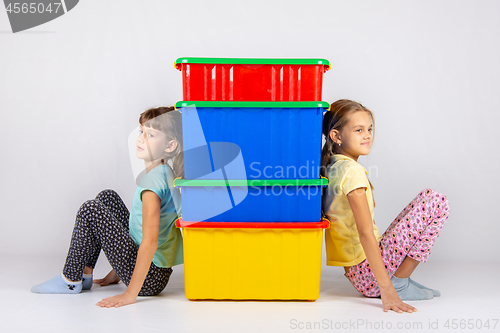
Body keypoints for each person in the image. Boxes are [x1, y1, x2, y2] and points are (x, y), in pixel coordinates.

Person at [31, 106, 184, 308]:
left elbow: (150, 242)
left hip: (150, 279)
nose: (140, 139)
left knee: (91, 209)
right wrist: (117, 272)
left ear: (170, 145)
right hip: (154, 272)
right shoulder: (164, 172)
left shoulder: (152, 185)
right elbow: (141, 234)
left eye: (151, 134)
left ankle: (70, 279)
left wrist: (130, 294)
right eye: (141, 131)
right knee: (107, 197)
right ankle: (85, 275)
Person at [321, 99, 449, 313]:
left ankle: (399, 281)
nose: (367, 135)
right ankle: (398, 282)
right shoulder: (351, 172)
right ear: (336, 136)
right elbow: (364, 233)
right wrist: (387, 289)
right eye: (358, 130)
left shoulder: (333, 165)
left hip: (357, 273)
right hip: (367, 274)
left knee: (428, 199)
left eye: (369, 129)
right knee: (435, 200)